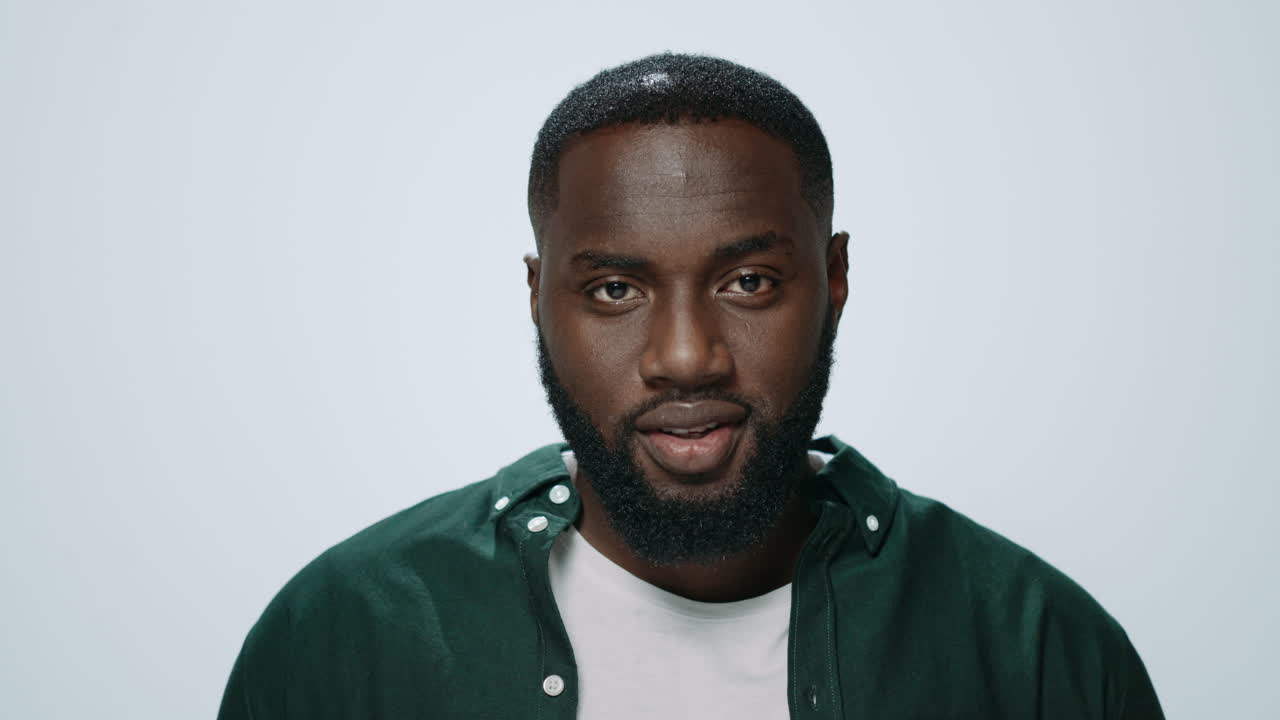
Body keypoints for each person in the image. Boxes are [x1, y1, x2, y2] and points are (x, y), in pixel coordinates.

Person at [217, 52, 1164, 719]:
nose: (685, 357)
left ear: (834, 279)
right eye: (615, 289)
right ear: (537, 295)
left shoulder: (1035, 648)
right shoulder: (347, 638)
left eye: (748, 282)